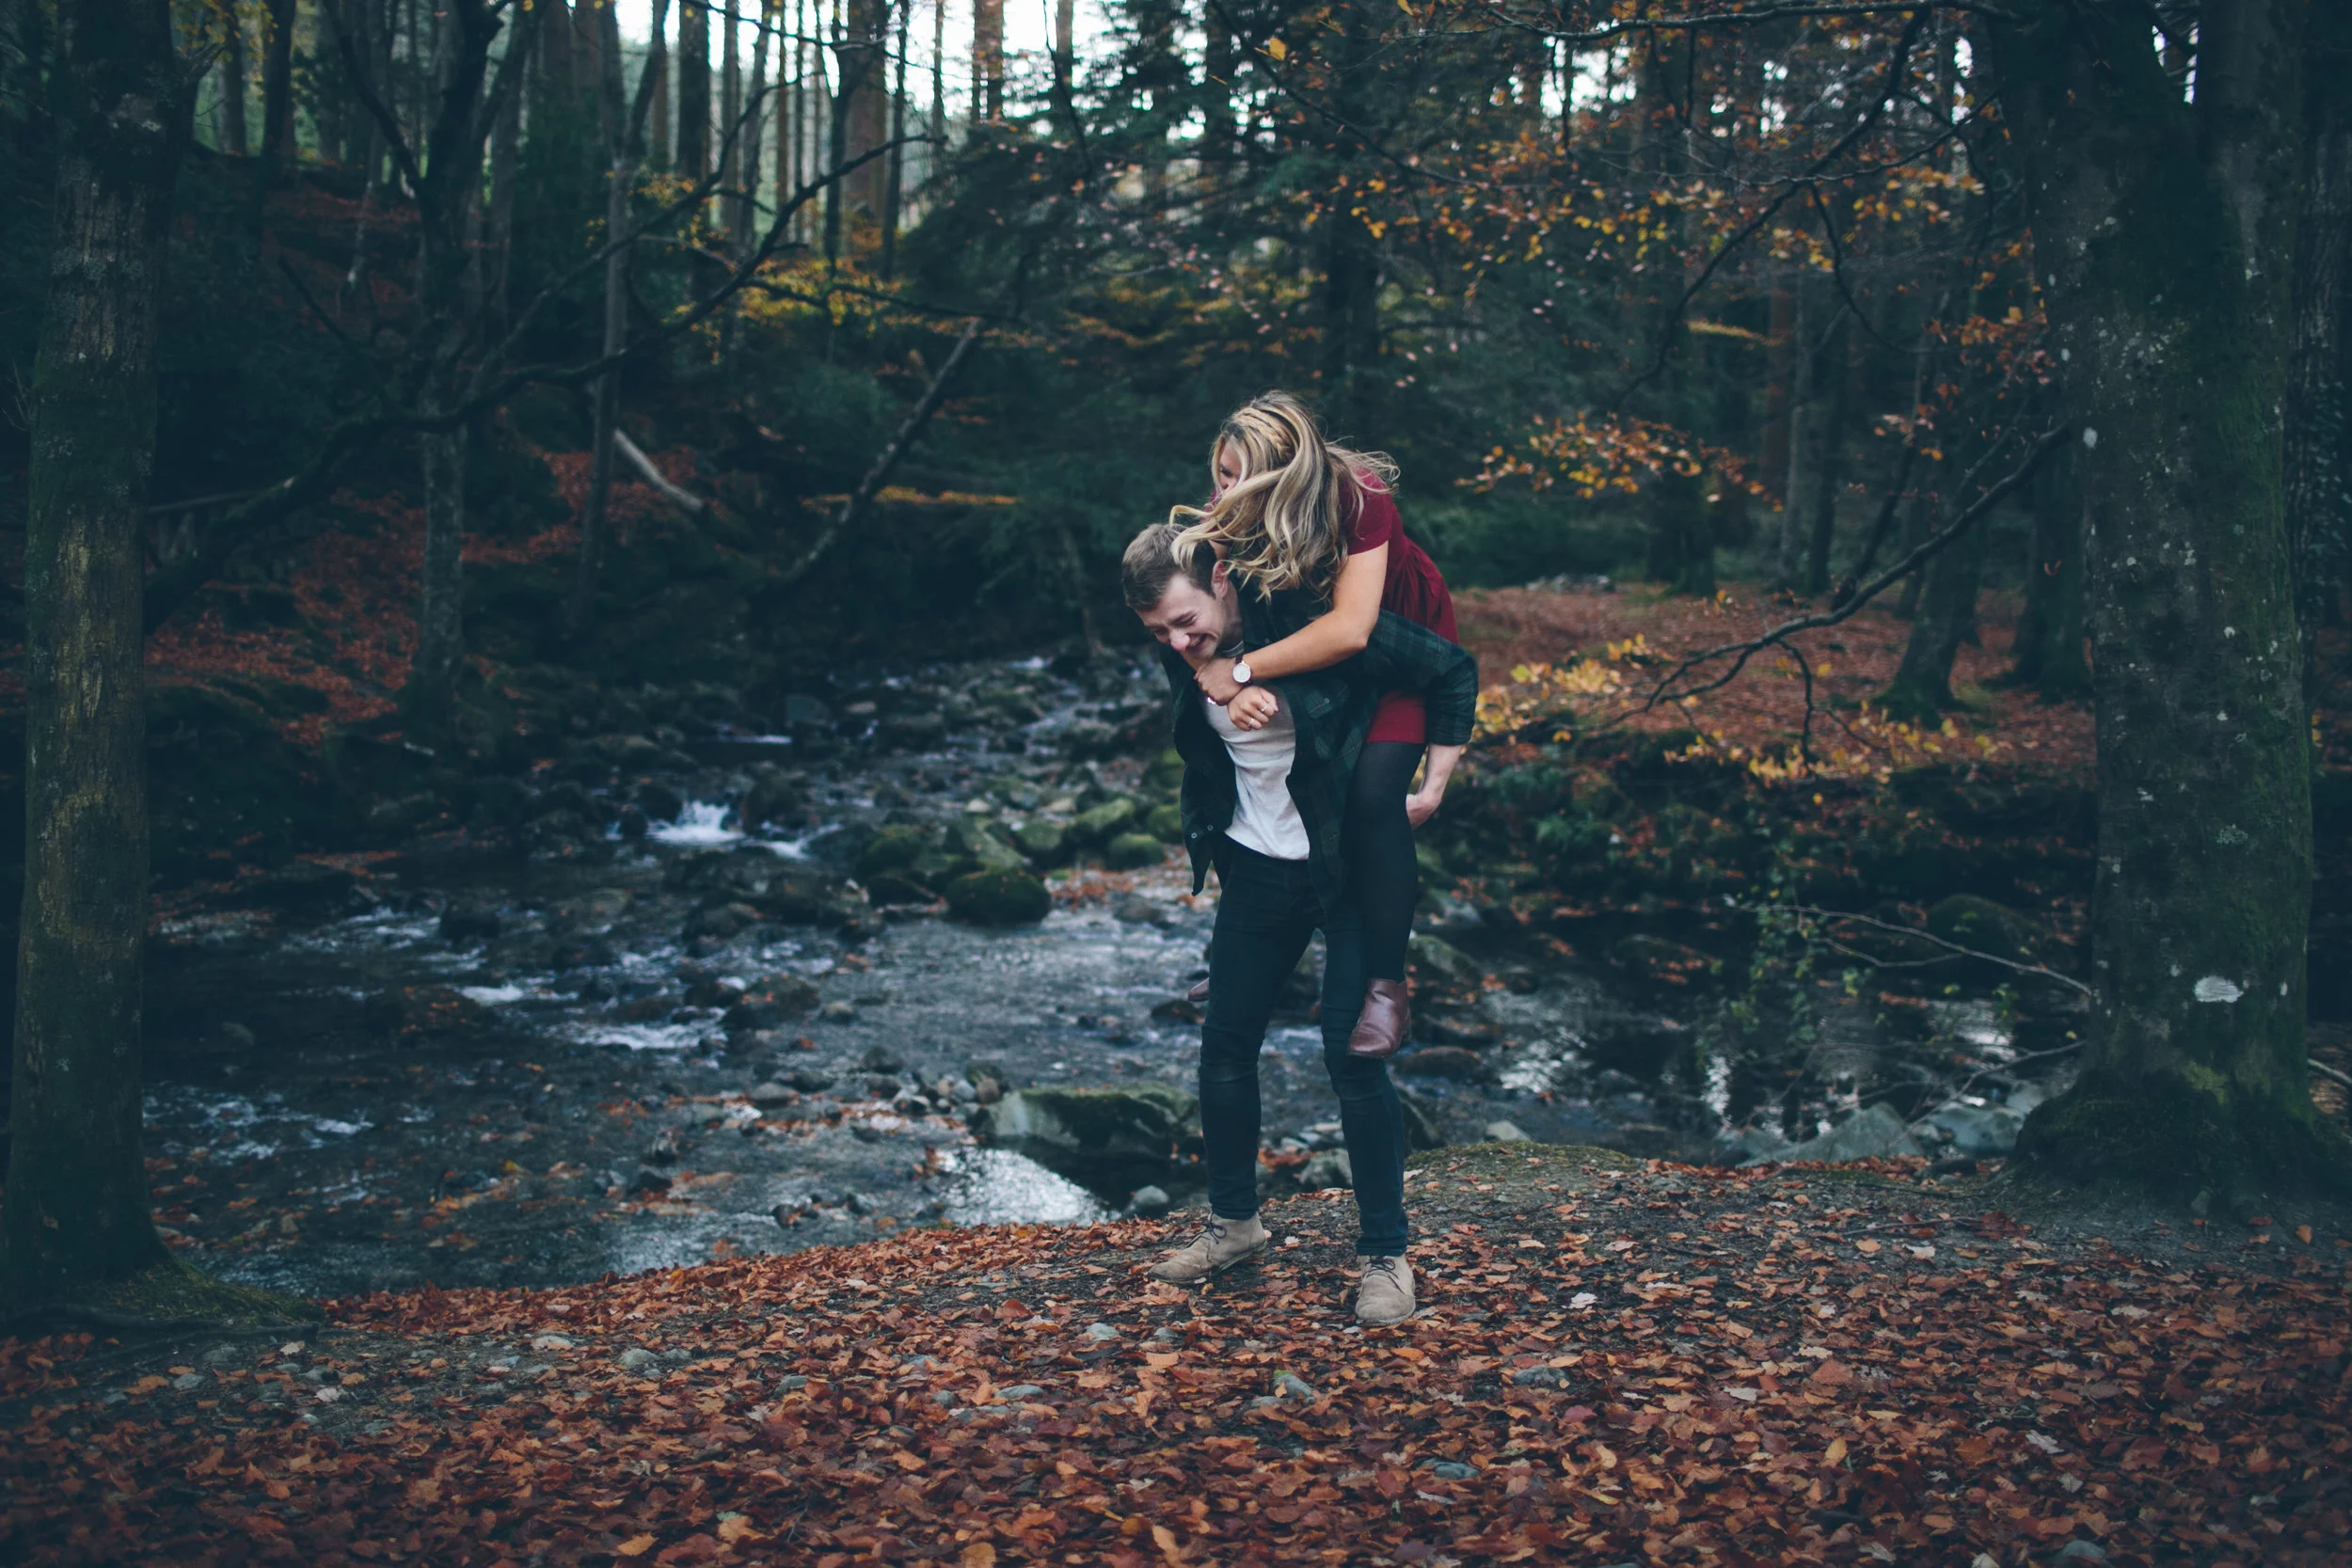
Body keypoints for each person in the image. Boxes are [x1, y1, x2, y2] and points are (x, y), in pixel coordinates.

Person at [1119, 521, 1478, 1325]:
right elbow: (1207, 715)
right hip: (1256, 866)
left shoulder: (1315, 620)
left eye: (1185, 621)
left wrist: (1436, 779)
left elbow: (1447, 665)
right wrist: (1210, 669)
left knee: (1353, 1059)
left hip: (1345, 865)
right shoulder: (1190, 648)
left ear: (1220, 577)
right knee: (1225, 1045)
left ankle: (1387, 1255)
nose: (1178, 641)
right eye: (1159, 633)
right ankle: (1235, 1224)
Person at [1170, 391, 1460, 1059]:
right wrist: (1203, 657)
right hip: (1320, 651)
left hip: (1400, 656)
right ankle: (1237, 953)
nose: (1222, 492)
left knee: (1370, 793)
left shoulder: (1359, 500)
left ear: (1283, 473)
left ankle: (1388, 985)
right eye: (1219, 473)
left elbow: (1353, 629)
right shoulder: (1235, 509)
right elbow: (1190, 592)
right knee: (1262, 768)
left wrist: (1239, 672)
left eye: (1238, 475)